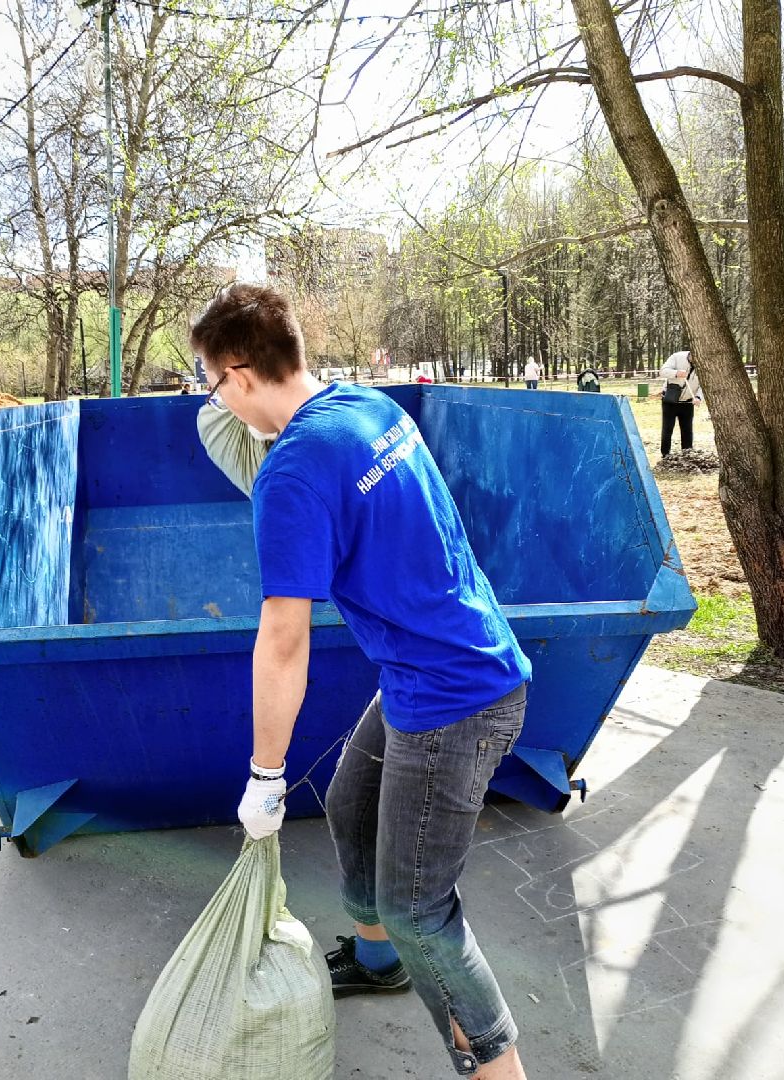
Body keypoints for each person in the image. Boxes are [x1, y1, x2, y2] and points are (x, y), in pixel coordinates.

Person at [190, 284, 532, 1080]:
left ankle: (498, 1071)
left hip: (453, 699)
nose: (214, 399)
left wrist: (265, 774)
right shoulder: (366, 408)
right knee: (352, 802)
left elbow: (282, 641)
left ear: (239, 375)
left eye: (211, 383)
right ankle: (379, 963)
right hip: (452, 665)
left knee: (421, 912)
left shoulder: (292, 472)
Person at [659, 349, 704, 457]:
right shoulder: (677, 357)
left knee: (687, 430)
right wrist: (676, 373)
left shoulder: (704, 363)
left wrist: (698, 397)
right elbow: (663, 371)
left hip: (688, 403)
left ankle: (687, 454)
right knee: (667, 428)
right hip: (670, 401)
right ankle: (665, 454)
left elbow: (703, 385)